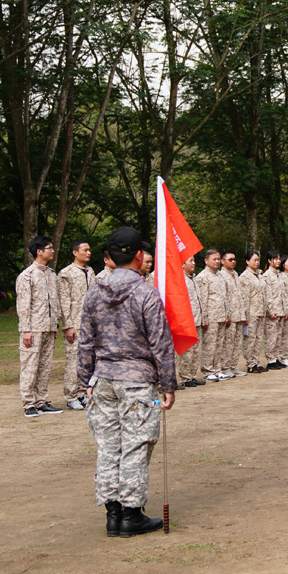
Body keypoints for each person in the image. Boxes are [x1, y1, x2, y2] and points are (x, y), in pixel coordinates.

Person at [78, 226, 176, 538]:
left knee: (108, 446)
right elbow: (160, 342)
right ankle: (131, 514)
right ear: (137, 255)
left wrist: (85, 379)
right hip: (136, 379)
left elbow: (85, 341)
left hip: (103, 378)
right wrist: (169, 384)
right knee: (135, 445)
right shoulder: (146, 292)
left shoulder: (95, 290)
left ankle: (113, 513)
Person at [16, 235, 62, 417]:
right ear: (39, 251)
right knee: (30, 365)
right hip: (33, 328)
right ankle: (29, 404)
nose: (52, 250)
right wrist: (26, 329)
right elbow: (23, 305)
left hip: (49, 327)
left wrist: (55, 325)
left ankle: (41, 401)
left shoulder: (52, 274)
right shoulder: (27, 276)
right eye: (49, 248)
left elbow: (55, 302)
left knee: (45, 366)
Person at [58, 239, 96, 410]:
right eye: (85, 250)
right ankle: (71, 395)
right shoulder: (66, 273)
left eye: (89, 250)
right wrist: (68, 326)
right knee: (74, 360)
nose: (88, 253)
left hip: (91, 324)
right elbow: (64, 301)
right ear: (75, 252)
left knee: (88, 361)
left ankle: (83, 393)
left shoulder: (91, 272)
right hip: (75, 323)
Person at [194, 249, 227, 383]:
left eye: (218, 259)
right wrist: (205, 317)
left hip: (221, 315)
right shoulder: (202, 277)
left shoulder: (220, 275)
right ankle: (207, 370)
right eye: (214, 259)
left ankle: (216, 369)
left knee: (219, 344)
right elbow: (202, 299)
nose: (217, 261)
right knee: (209, 344)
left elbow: (224, 297)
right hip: (211, 316)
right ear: (206, 261)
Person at [179, 253, 205, 387]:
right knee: (187, 352)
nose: (193, 263)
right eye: (190, 261)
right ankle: (185, 377)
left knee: (196, 350)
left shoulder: (194, 279)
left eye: (194, 260)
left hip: (198, 319)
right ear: (182, 264)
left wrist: (203, 317)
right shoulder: (180, 279)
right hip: (187, 321)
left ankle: (193, 375)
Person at [220, 250, 246, 378]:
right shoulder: (221, 275)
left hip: (239, 315)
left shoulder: (236, 274)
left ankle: (233, 366)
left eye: (234, 259)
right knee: (228, 343)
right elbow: (223, 298)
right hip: (229, 315)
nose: (233, 261)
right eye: (230, 259)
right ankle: (225, 367)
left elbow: (240, 296)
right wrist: (226, 315)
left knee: (236, 343)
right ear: (222, 261)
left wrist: (243, 314)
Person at [239, 251, 267, 373]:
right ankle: (250, 363)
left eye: (257, 260)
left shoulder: (260, 275)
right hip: (251, 312)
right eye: (254, 260)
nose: (256, 262)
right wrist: (245, 315)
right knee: (250, 339)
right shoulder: (244, 277)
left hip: (260, 311)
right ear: (247, 261)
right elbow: (244, 297)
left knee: (257, 338)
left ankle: (256, 362)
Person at [262, 251, 286, 370]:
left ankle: (276, 358)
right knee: (271, 337)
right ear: (269, 261)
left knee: (278, 336)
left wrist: (285, 309)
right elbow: (267, 296)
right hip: (273, 312)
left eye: (279, 259)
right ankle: (270, 359)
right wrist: (270, 311)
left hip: (280, 310)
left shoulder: (279, 275)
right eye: (275, 259)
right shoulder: (267, 276)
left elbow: (283, 295)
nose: (278, 261)